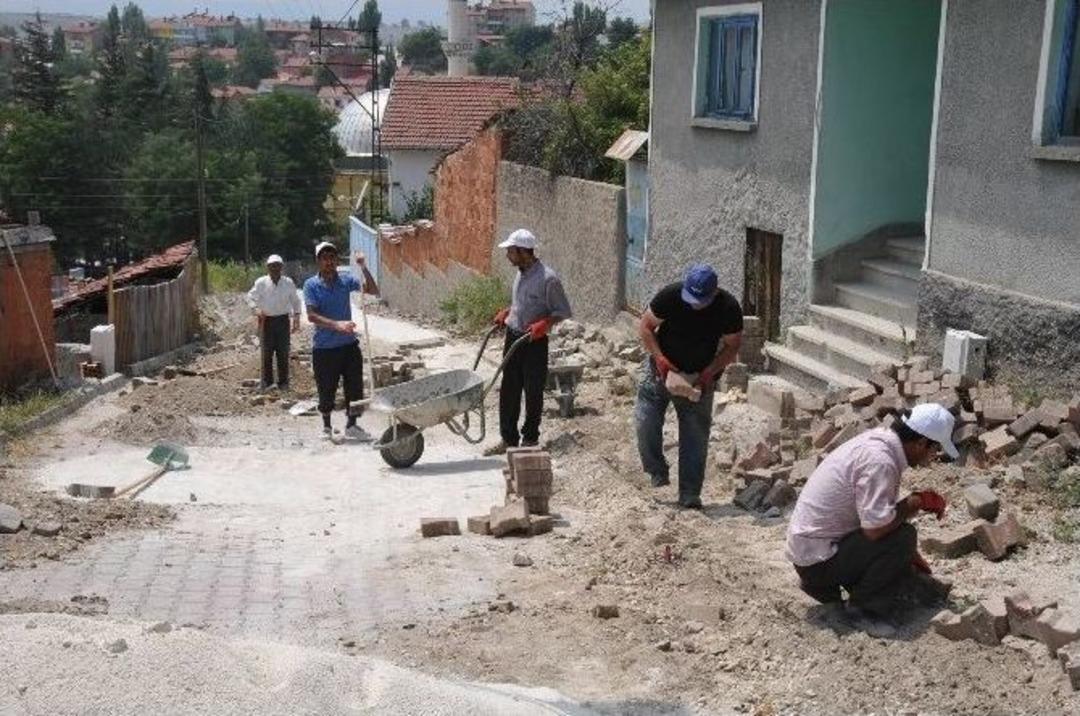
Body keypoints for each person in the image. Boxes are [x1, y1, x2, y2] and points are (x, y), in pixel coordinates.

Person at [785, 403, 956, 636]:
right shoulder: (880, 461)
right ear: (920, 443)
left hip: (814, 551)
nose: (933, 457)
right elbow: (875, 530)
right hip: (817, 562)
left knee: (900, 541)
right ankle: (864, 611)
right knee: (904, 536)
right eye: (934, 449)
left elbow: (875, 514)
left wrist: (909, 558)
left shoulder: (879, 443)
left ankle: (847, 590)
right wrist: (916, 502)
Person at [636, 264, 743, 509]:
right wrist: (660, 360)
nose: (694, 303)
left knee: (695, 435)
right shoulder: (671, 296)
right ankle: (657, 470)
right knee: (645, 423)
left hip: (699, 376)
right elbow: (645, 326)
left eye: (700, 300)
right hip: (660, 372)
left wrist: (709, 373)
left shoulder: (728, 308)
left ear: (713, 293)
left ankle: (690, 494)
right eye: (691, 297)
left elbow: (732, 345)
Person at [485, 229, 572, 455]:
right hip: (514, 337)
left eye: (511, 251)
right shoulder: (520, 273)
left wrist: (545, 324)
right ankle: (508, 438)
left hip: (534, 341)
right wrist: (508, 312)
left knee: (533, 391)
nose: (508, 256)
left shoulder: (548, 278)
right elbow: (520, 303)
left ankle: (530, 439)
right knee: (509, 389)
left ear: (523, 251)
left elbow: (562, 311)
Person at [302, 242, 379, 441]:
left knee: (354, 386)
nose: (329, 261)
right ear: (318, 261)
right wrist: (337, 325)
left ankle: (352, 425)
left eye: (332, 257)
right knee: (326, 387)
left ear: (336, 261)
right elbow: (311, 316)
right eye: (324, 258)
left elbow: (372, 290)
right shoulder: (311, 285)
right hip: (325, 348)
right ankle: (327, 427)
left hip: (348, 345)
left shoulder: (345, 281)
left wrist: (363, 267)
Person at [246, 254, 302, 390]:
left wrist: (297, 317)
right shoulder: (261, 282)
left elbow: (296, 300)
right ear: (268, 267)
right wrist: (255, 309)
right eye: (272, 266)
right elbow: (249, 297)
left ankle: (283, 382)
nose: (275, 268)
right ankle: (268, 382)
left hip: (283, 320)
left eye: (277, 265)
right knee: (267, 352)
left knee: (283, 352)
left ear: (281, 267)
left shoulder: (288, 282)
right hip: (266, 321)